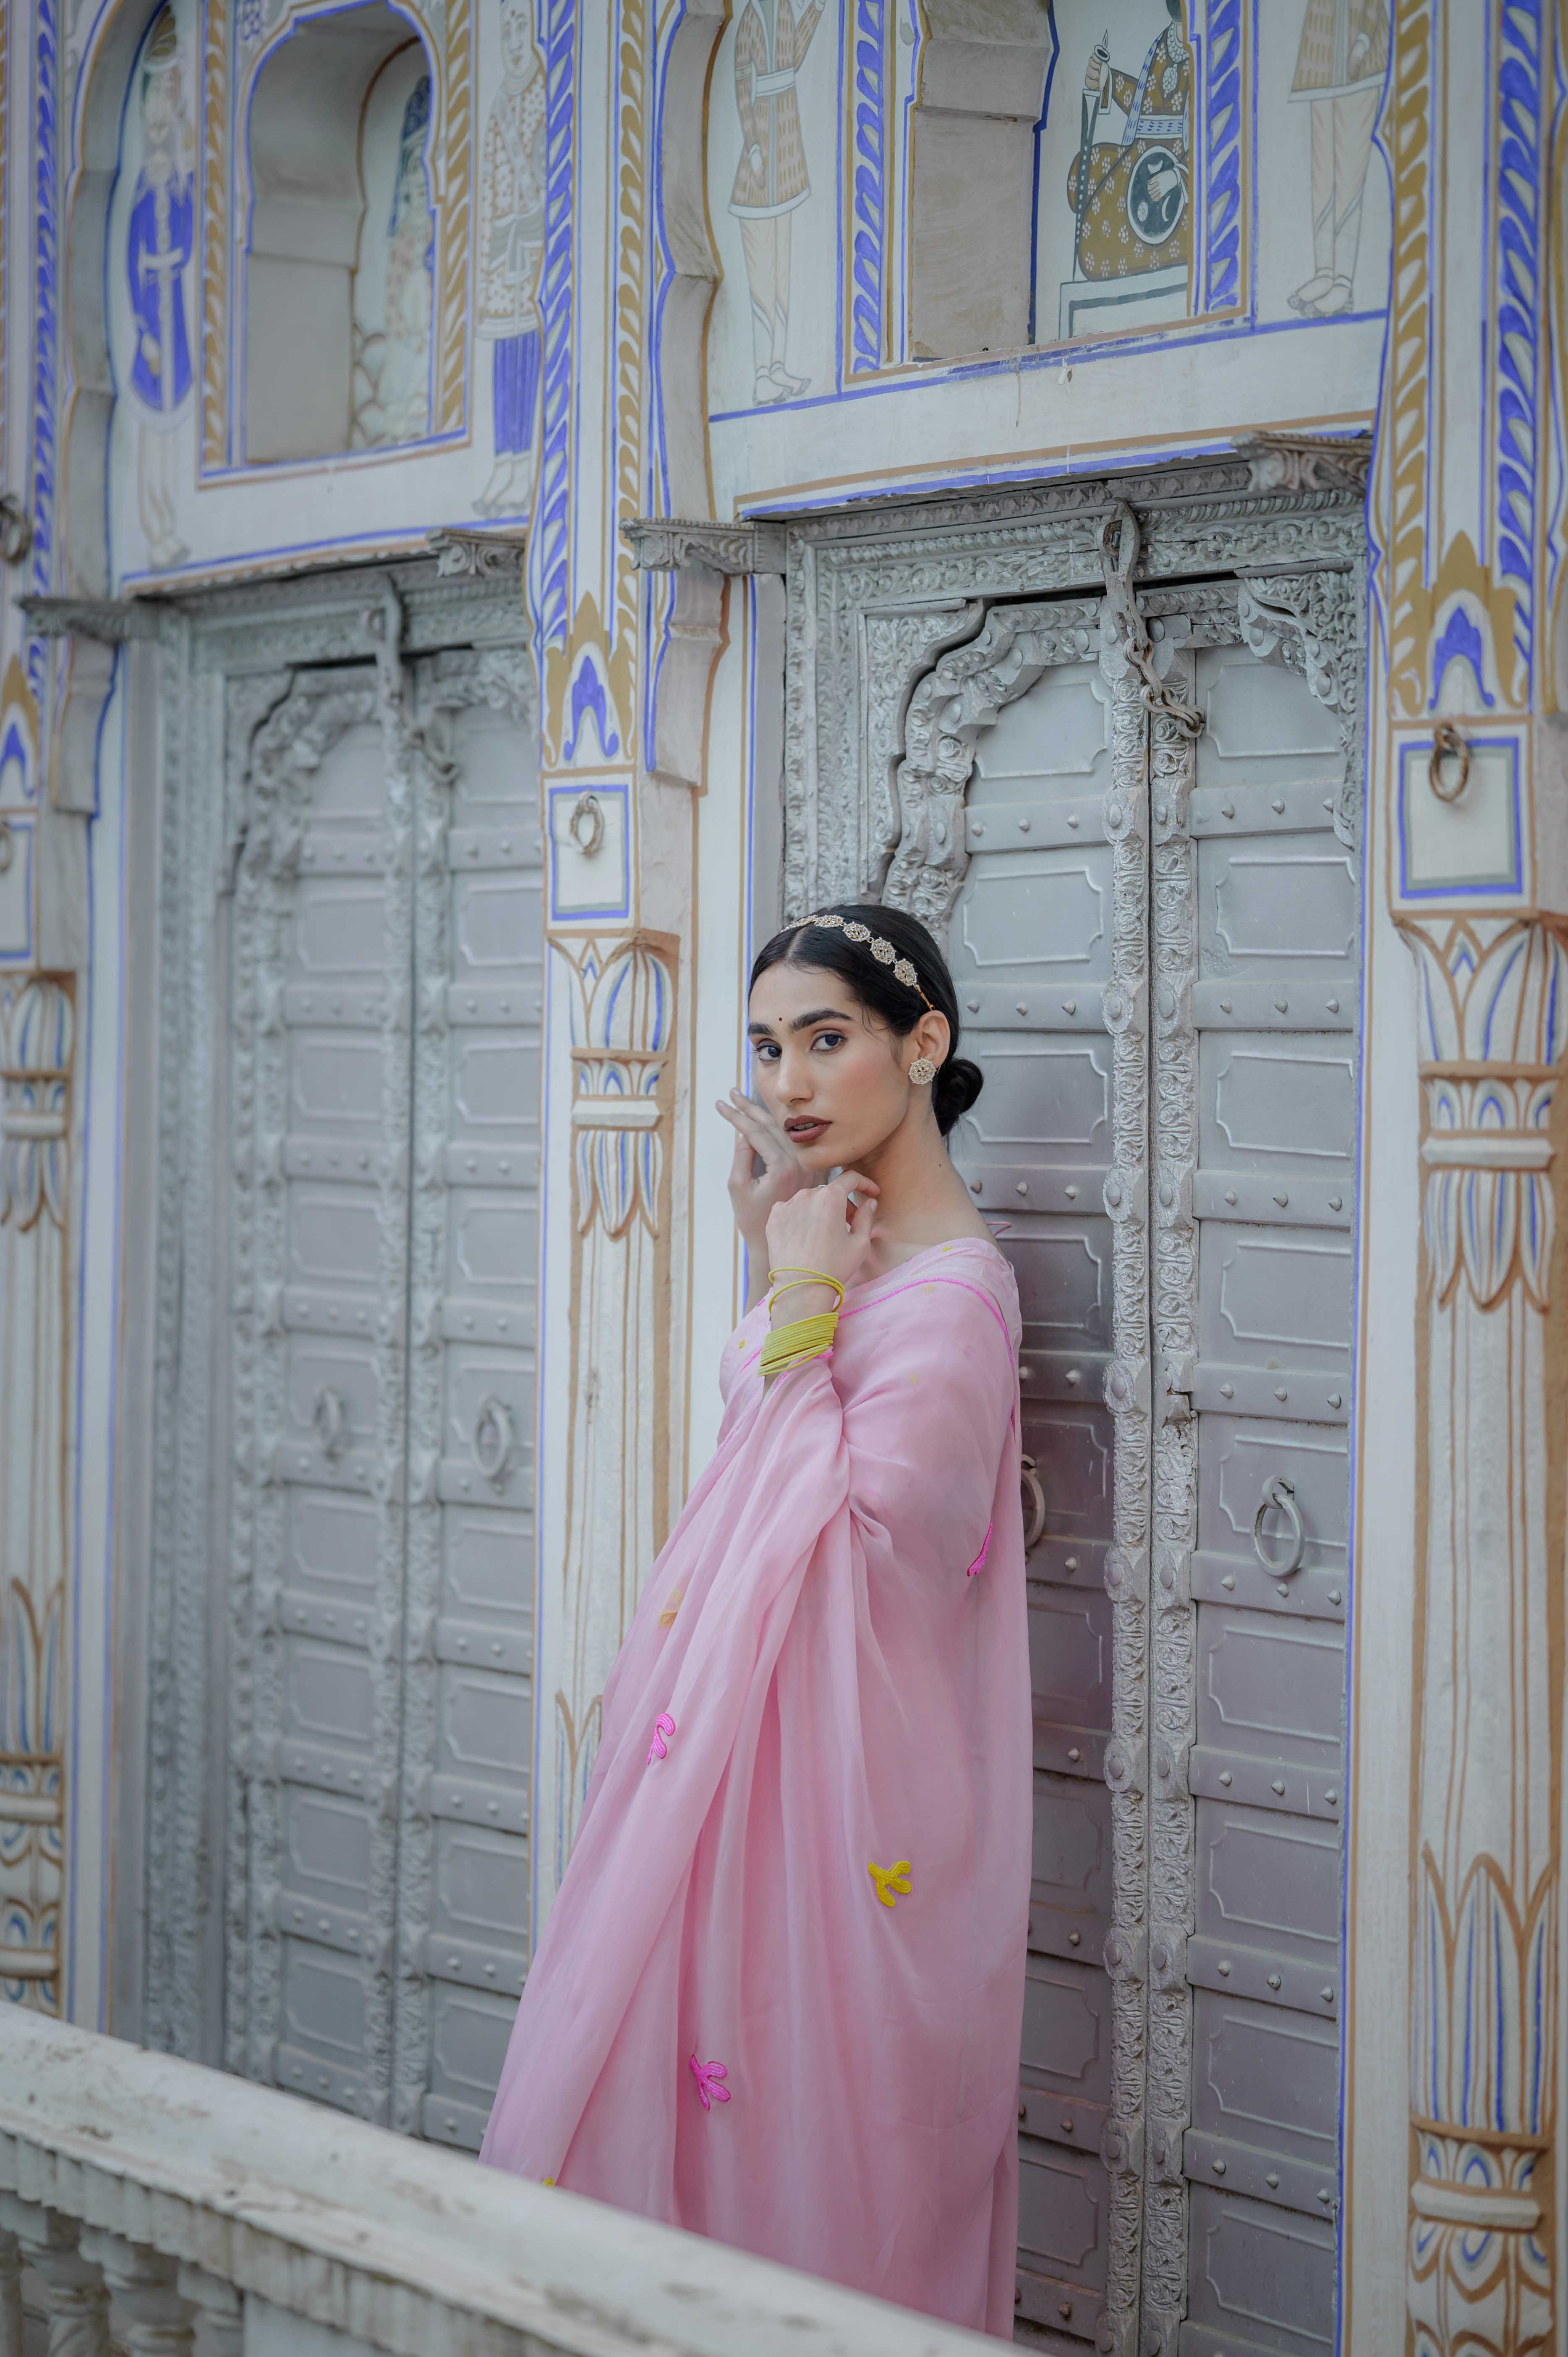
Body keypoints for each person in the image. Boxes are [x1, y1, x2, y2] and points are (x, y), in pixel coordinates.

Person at [481, 903, 1032, 2337]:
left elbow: (856, 1554)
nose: (789, 1082)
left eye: (828, 1039)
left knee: (809, 2175)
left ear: (926, 1046)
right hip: (740, 1770)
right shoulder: (838, 1250)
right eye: (769, 1044)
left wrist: (795, 1291)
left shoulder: (959, 1302)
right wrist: (783, 1264)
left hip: (843, 1814)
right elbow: (773, 1465)